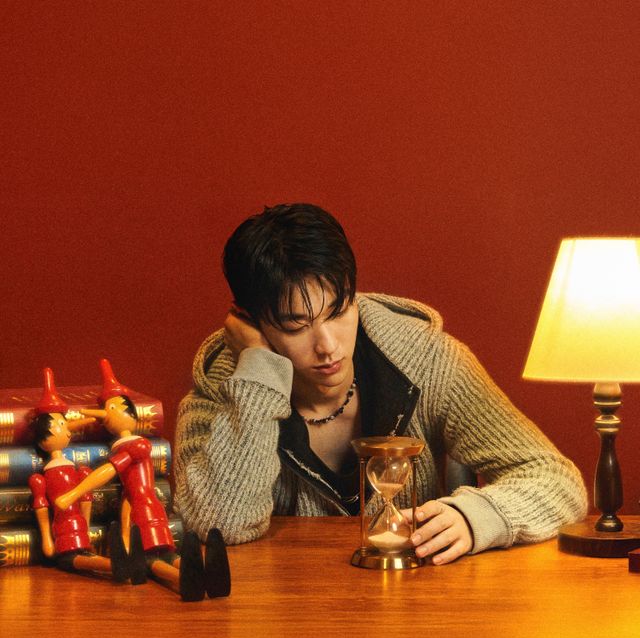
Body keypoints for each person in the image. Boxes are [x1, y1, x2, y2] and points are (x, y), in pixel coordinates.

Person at [173, 203, 587, 565]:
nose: (328, 346)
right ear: (248, 322)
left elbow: (555, 479)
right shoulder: (221, 390)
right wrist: (259, 372)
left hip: (419, 604)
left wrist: (476, 516)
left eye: (338, 312)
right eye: (296, 326)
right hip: (284, 608)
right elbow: (220, 525)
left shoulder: (427, 360)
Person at [55, 359, 230, 600]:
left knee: (154, 561)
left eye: (113, 408)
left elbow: (109, 470)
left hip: (146, 511)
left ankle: (190, 580)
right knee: (164, 556)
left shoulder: (137, 446)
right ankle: (201, 577)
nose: (107, 414)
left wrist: (73, 494)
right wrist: (126, 535)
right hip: (145, 510)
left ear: (132, 414)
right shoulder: (131, 448)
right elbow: (127, 498)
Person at [29, 367, 128, 580]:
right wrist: (47, 540)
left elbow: (85, 498)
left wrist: (86, 529)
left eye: (65, 423)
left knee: (80, 558)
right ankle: (116, 565)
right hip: (62, 535)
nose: (66, 429)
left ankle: (117, 565)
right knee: (74, 559)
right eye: (59, 424)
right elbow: (42, 507)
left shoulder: (78, 471)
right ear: (41, 434)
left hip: (80, 531)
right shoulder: (41, 478)